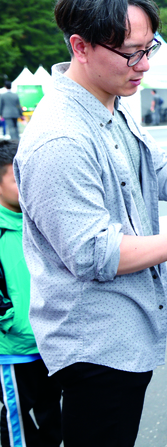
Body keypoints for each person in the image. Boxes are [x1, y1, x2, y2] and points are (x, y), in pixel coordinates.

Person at [13, 1, 167, 446]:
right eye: (131, 53)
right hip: (97, 344)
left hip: (128, 334)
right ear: (80, 47)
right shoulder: (60, 138)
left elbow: (160, 169)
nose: (144, 66)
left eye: (149, 49)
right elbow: (93, 252)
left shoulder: (110, 103)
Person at [0, 140, 62, 447]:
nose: (25, 185)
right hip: (12, 350)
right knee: (18, 428)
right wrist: (8, 319)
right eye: (15, 179)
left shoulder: (42, 219)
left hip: (52, 346)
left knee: (54, 421)